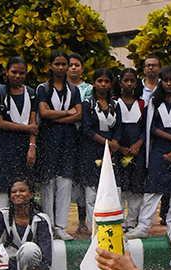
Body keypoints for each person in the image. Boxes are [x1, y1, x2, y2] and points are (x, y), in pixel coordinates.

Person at [127, 65, 171, 240]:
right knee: (153, 189)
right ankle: (143, 226)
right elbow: (152, 127)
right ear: (160, 82)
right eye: (165, 80)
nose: (169, 83)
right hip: (160, 149)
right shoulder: (154, 102)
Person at [35, 49, 82, 241]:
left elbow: (79, 114)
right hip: (47, 139)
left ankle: (60, 226)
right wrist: (66, 114)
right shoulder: (42, 89)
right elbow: (44, 113)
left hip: (68, 140)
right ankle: (47, 225)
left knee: (65, 181)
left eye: (65, 64)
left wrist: (57, 117)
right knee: (48, 182)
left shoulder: (74, 90)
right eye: (58, 64)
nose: (62, 68)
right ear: (50, 66)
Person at [0, 57, 38, 224]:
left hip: (24, 147)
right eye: (14, 72)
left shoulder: (31, 94)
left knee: (22, 187)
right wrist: (26, 129)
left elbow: (33, 123)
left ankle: (22, 226)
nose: (17, 76)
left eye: (21, 73)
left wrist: (32, 146)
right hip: (3, 145)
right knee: (1, 189)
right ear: (7, 72)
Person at [79, 68, 121, 216]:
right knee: (92, 189)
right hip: (91, 149)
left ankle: (114, 220)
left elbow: (118, 128)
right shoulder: (88, 104)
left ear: (111, 84)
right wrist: (107, 143)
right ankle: (93, 226)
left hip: (111, 151)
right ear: (94, 83)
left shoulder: (115, 105)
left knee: (112, 186)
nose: (103, 84)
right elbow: (87, 129)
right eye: (99, 81)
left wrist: (111, 147)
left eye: (106, 81)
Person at [113, 68, 146, 231]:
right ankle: (119, 220)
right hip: (120, 148)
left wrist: (138, 144)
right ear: (120, 82)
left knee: (136, 185)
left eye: (132, 81)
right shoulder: (114, 102)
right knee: (120, 185)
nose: (129, 84)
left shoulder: (141, 103)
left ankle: (132, 220)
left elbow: (146, 128)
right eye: (126, 80)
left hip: (136, 150)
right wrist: (119, 147)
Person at [67, 53, 92, 235]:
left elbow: (83, 111)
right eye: (70, 64)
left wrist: (66, 113)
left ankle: (83, 221)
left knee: (83, 180)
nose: (73, 67)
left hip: (84, 138)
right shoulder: (57, 87)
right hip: (64, 137)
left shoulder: (88, 89)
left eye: (77, 64)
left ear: (82, 68)